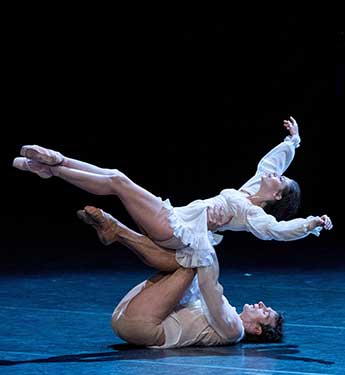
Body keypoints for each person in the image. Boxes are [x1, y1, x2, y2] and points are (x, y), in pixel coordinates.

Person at [13, 116, 333, 270]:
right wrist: (294, 142)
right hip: (174, 218)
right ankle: (54, 163)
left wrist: (310, 224)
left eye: (281, 181)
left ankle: (53, 167)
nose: (275, 176)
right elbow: (271, 162)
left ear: (276, 196)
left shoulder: (254, 214)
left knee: (118, 183)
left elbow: (278, 231)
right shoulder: (248, 191)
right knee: (116, 177)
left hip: (175, 231)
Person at [77, 205, 284, 348]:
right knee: (182, 261)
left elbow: (210, 286)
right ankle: (120, 231)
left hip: (141, 326)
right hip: (129, 316)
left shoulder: (234, 330)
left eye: (266, 313)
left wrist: (205, 232)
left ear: (257, 330)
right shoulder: (227, 317)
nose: (262, 304)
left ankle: (121, 231)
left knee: (191, 265)